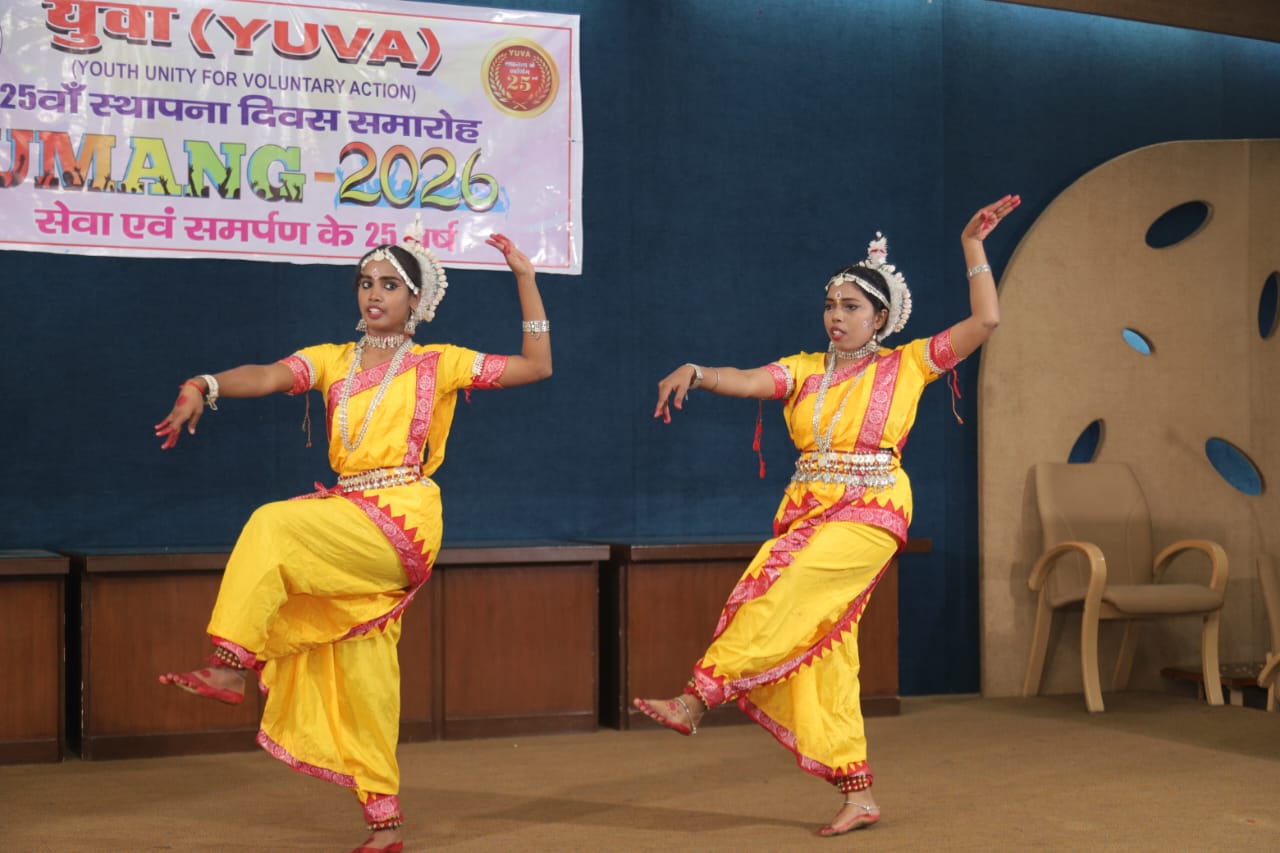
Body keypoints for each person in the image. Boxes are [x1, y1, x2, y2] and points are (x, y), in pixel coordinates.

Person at [155, 219, 551, 853]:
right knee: (364, 675)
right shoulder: (332, 360)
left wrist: (525, 279)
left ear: (416, 299)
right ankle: (385, 824)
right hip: (348, 517)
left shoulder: (438, 363)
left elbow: (536, 366)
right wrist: (204, 384)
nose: (374, 294)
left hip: (402, 520)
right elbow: (266, 375)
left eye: (390, 285)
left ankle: (230, 667)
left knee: (272, 523)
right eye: (366, 282)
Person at [635, 195, 1021, 837]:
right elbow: (746, 379)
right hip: (810, 511)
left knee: (781, 585)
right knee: (826, 650)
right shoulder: (804, 371)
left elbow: (986, 320)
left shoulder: (908, 363)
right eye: (830, 305)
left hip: (872, 512)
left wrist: (972, 245)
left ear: (880, 317)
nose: (836, 316)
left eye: (851, 307)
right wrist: (698, 372)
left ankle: (698, 697)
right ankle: (857, 792)